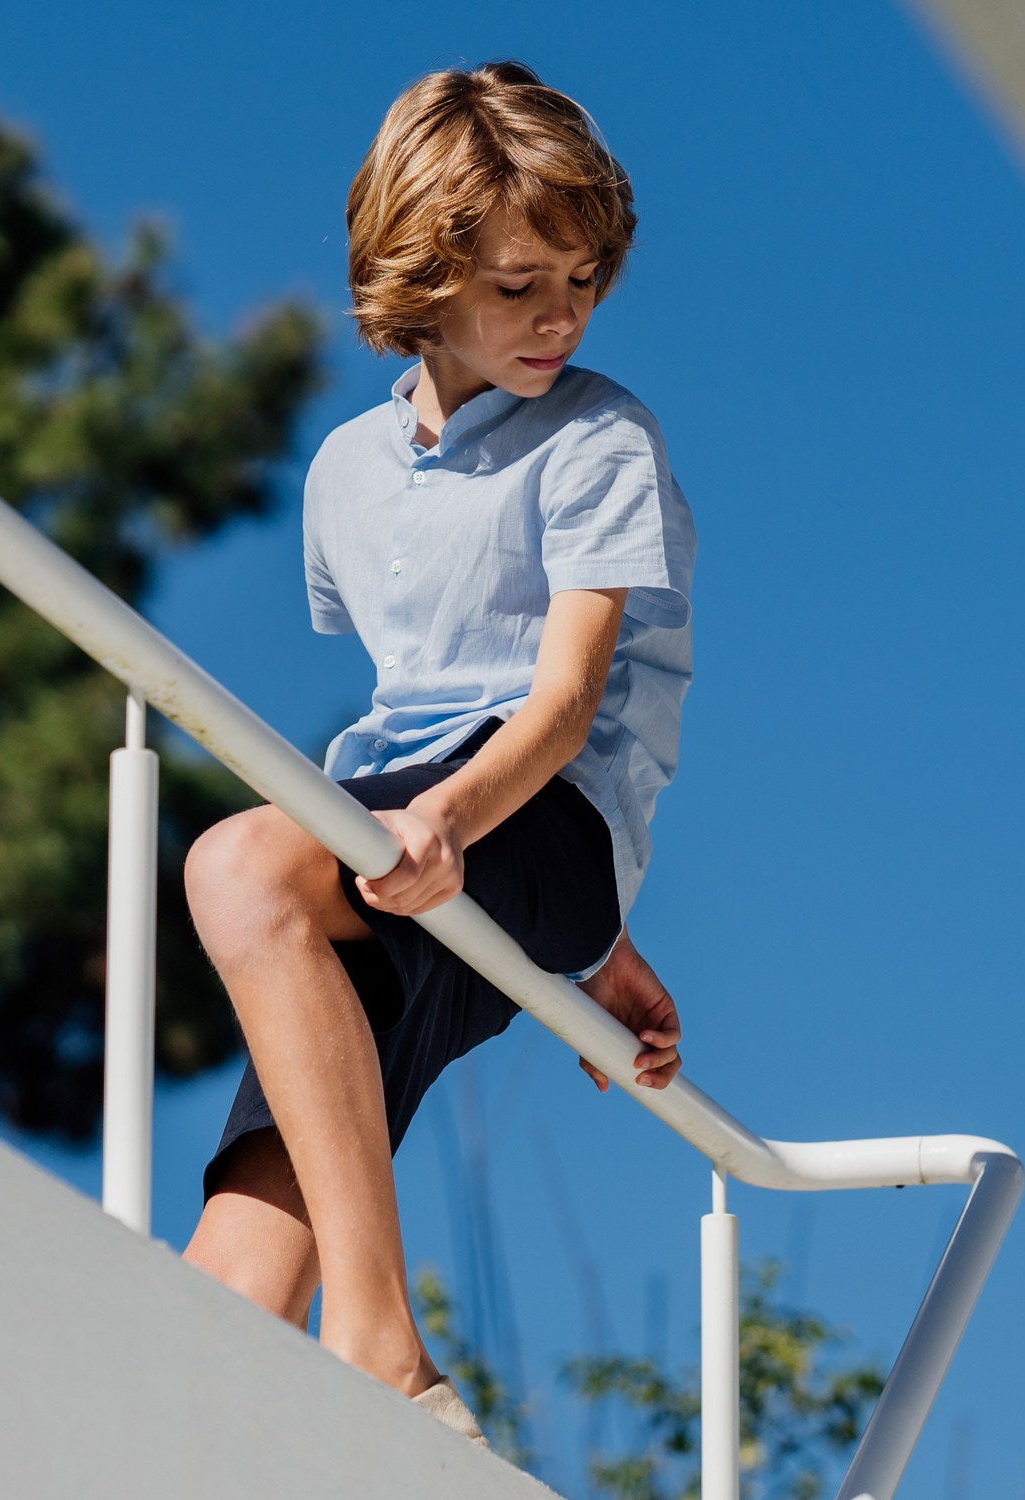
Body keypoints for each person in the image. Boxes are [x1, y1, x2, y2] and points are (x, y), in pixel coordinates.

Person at [181, 59, 695, 1448]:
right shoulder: (344, 472)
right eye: (520, 284)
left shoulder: (596, 436)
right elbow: (398, 685)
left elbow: (563, 704)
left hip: (529, 813)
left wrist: (482, 840)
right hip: (401, 833)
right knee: (217, 1289)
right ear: (422, 272)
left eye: (582, 280)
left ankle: (385, 1350)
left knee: (239, 867)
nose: (560, 316)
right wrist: (581, 958)